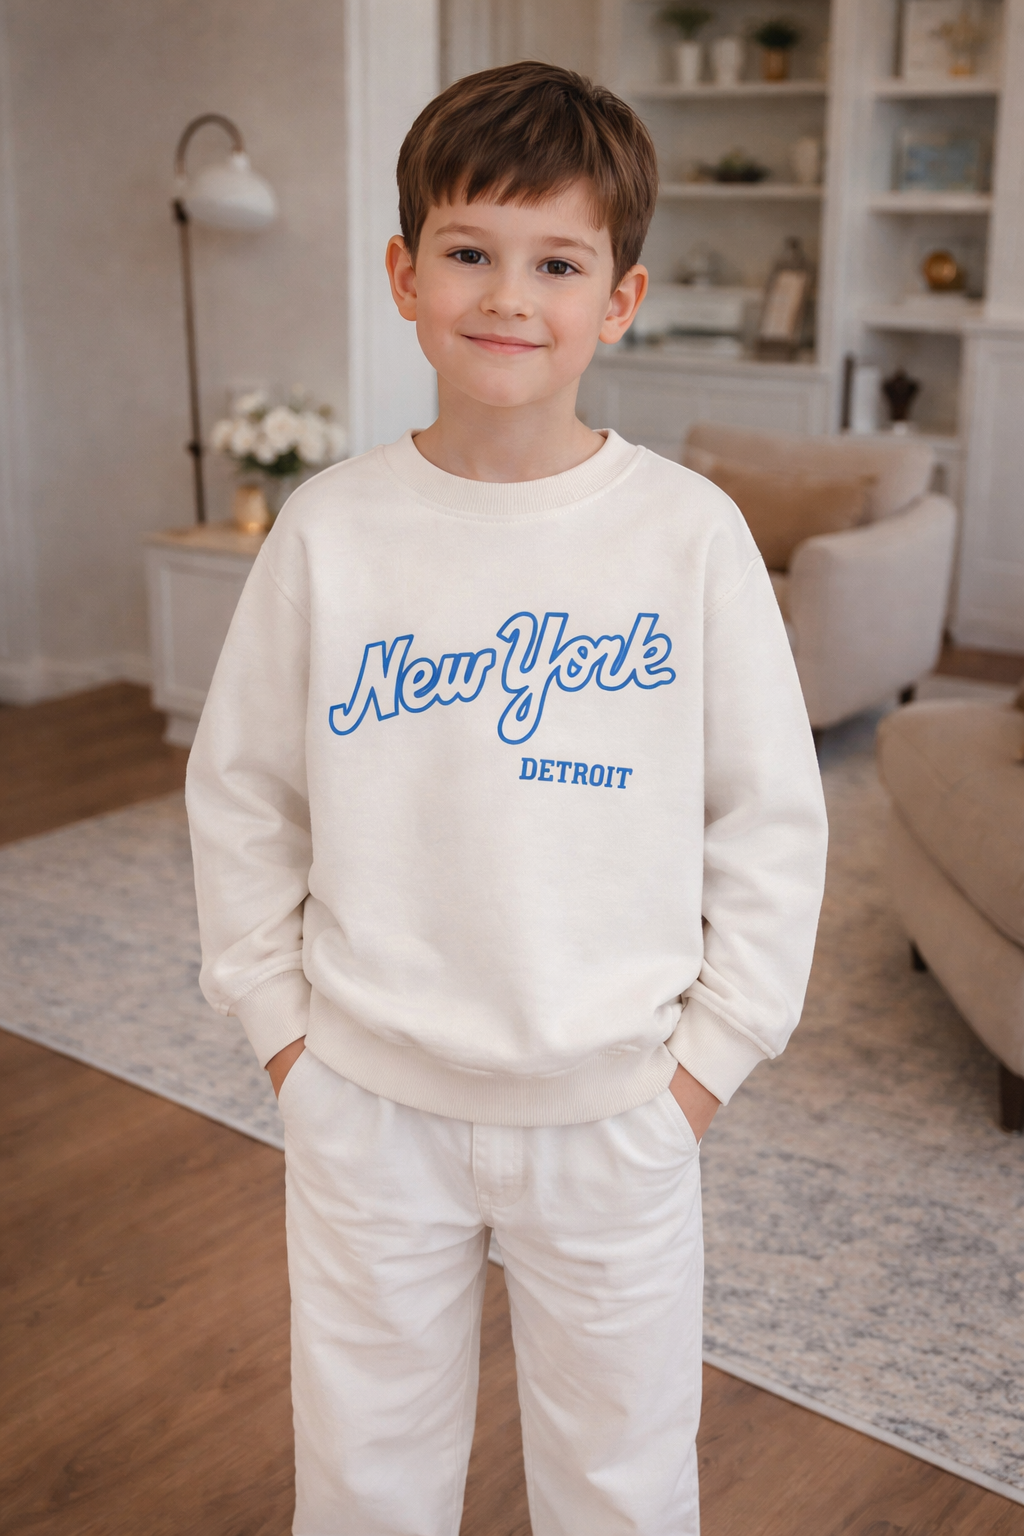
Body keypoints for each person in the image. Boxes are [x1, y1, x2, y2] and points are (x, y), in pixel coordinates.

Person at [185, 60, 828, 1536]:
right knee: (364, 1475)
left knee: (621, 1484)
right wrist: (286, 1040)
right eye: (470, 251)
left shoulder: (690, 536)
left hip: (617, 1114)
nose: (507, 297)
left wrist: (703, 1069)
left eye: (557, 264)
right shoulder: (330, 530)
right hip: (366, 1105)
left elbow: (769, 821)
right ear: (406, 275)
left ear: (622, 298)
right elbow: (243, 796)